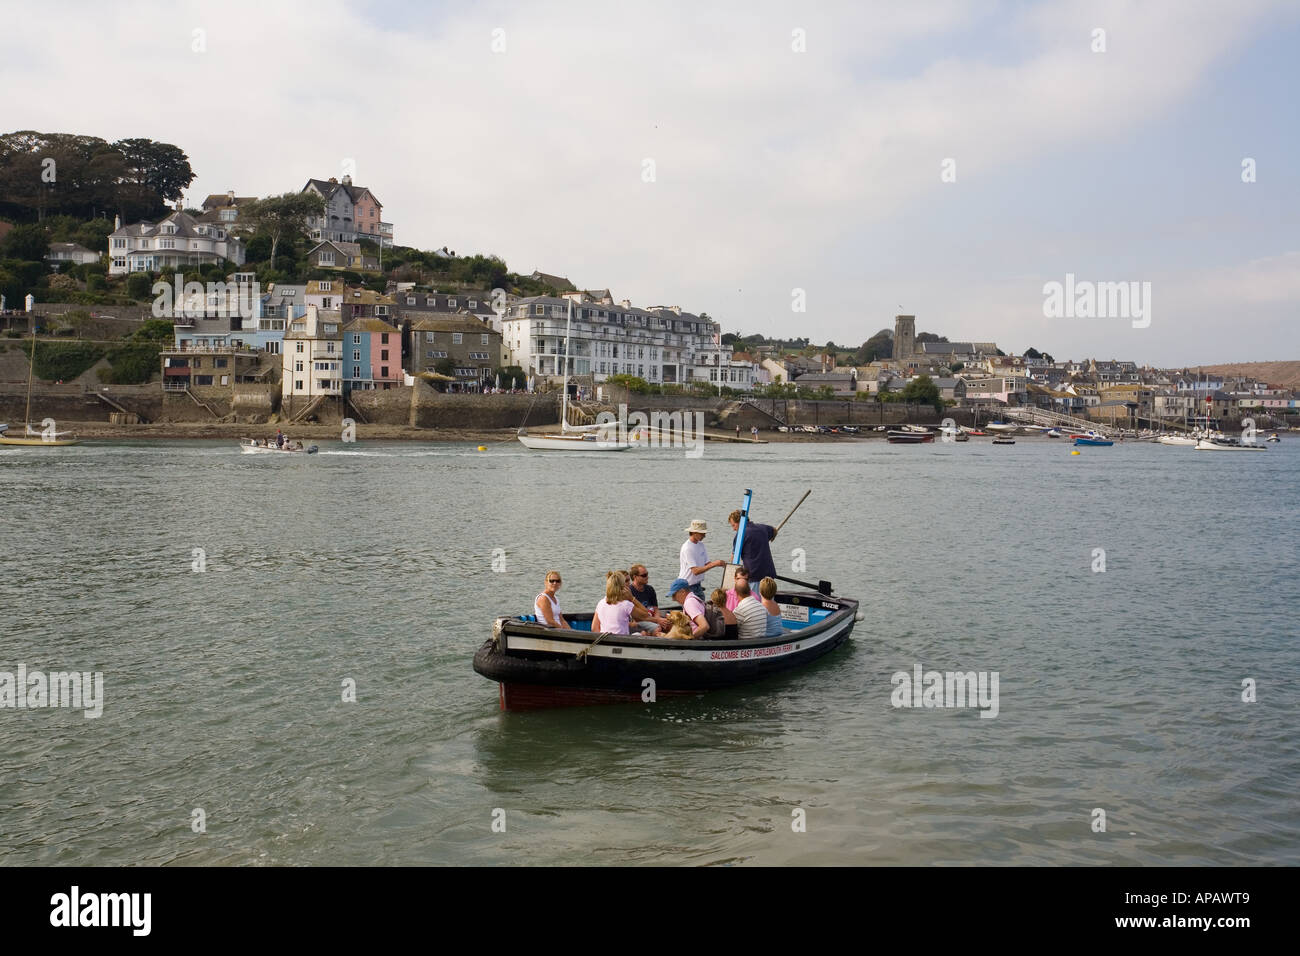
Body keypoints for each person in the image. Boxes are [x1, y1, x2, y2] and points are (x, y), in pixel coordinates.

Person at [679, 520, 725, 600]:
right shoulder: (687, 548)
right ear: (694, 533)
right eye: (702, 533)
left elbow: (707, 564)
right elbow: (695, 571)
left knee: (701, 607)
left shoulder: (701, 545)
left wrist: (722, 565)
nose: (704, 535)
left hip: (697, 585)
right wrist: (714, 564)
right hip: (687, 586)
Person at [728, 509, 777, 583]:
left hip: (754, 576)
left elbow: (734, 558)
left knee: (754, 595)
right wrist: (769, 538)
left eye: (734, 525)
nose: (734, 529)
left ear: (740, 522)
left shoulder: (740, 535)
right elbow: (774, 530)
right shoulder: (762, 528)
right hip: (769, 575)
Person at [628, 564, 669, 633]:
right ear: (635, 577)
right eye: (644, 575)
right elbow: (637, 617)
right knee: (658, 629)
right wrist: (657, 621)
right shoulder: (629, 591)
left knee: (668, 625)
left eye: (647, 574)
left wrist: (658, 620)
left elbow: (656, 609)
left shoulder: (650, 589)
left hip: (651, 617)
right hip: (638, 620)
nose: (647, 577)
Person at [732, 573, 768, 640]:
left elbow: (732, 630)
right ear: (749, 590)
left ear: (736, 593)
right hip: (760, 643)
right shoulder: (762, 606)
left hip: (745, 644)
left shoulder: (739, 610)